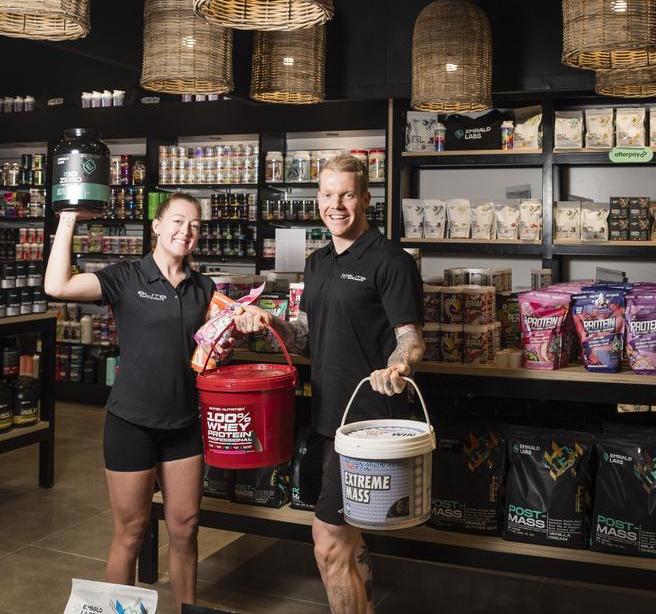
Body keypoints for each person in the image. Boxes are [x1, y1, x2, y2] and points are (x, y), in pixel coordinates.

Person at [235, 154, 424, 614]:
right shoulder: (317, 263)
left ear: (365, 199)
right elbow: (303, 335)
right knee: (350, 536)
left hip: (370, 424)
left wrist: (397, 368)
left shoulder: (390, 261)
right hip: (327, 418)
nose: (335, 204)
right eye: (326, 194)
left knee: (327, 541)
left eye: (346, 195)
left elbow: (411, 340)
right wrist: (269, 323)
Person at [44, 192, 217, 613]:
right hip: (131, 424)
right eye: (177, 221)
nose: (185, 231)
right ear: (156, 227)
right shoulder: (126, 277)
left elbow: (214, 347)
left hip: (184, 424)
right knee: (132, 532)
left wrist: (245, 320)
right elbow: (57, 285)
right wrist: (68, 219)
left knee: (186, 528)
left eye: (194, 225)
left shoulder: (204, 287)